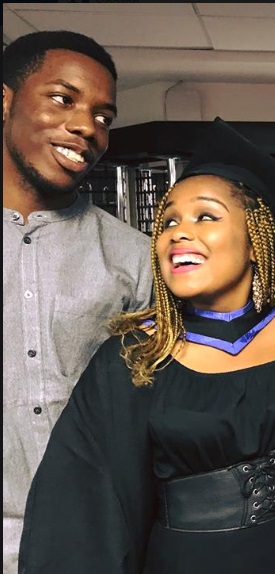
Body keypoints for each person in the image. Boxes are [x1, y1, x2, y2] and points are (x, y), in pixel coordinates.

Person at [19, 117, 275, 573]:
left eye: (206, 216)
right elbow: (88, 506)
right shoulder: (135, 357)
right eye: (168, 221)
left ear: (255, 240)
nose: (178, 232)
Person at [3, 30, 153, 572]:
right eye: (62, 99)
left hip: (95, 544)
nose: (87, 127)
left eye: (103, 116)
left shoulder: (135, 258)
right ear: (5, 101)